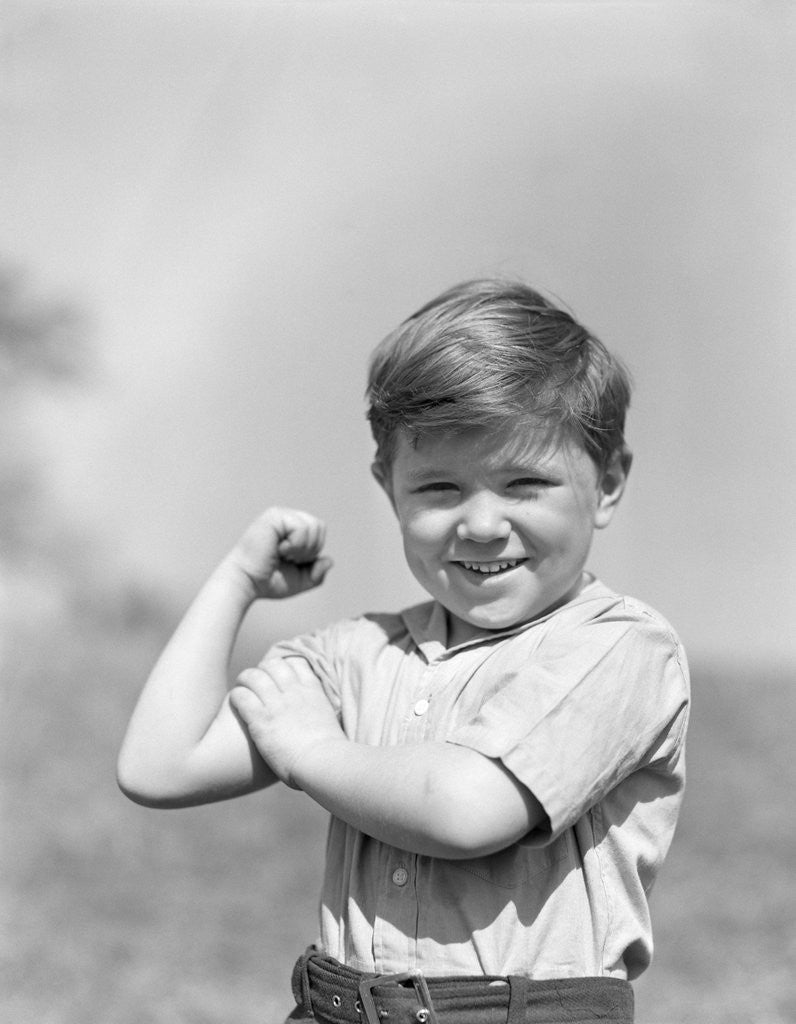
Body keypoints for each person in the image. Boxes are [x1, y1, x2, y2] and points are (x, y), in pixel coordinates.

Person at [118, 279, 689, 1024]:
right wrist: (235, 584)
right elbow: (160, 766)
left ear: (607, 483)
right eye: (439, 489)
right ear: (388, 486)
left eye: (525, 484)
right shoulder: (358, 652)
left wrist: (310, 749)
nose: (483, 523)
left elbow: (465, 810)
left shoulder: (620, 649)